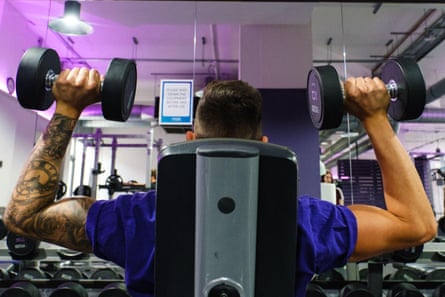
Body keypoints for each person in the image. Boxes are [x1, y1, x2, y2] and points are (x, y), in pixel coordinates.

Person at [3, 68, 437, 297]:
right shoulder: (305, 221)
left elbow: (23, 217)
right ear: (264, 143)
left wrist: (66, 108)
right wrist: (375, 118)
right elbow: (416, 225)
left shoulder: (138, 217)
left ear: (191, 140)